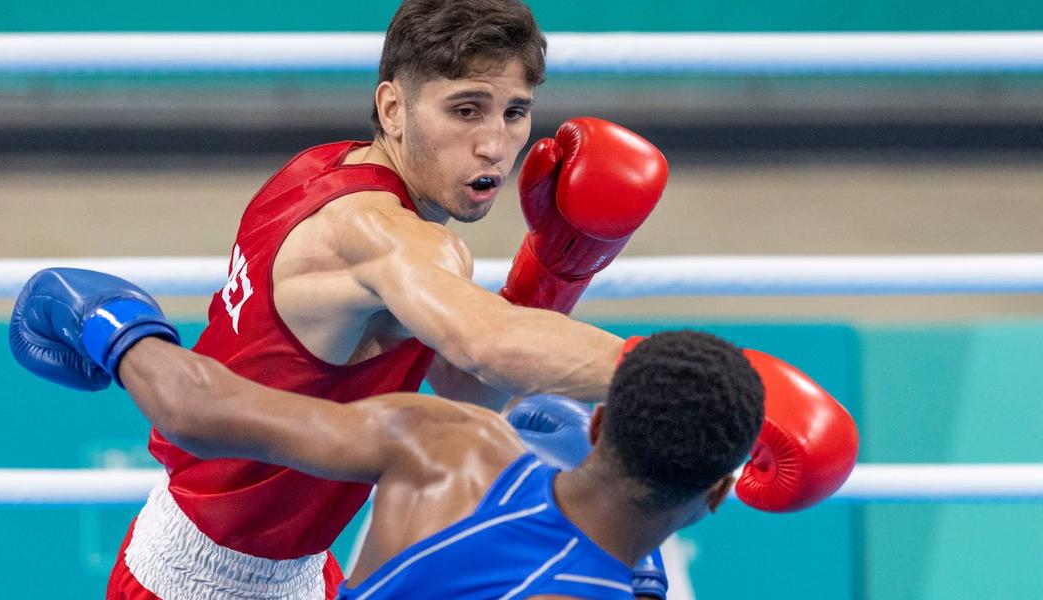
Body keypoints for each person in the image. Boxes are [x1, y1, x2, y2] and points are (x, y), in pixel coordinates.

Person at [66, 0, 679, 597]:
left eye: (514, 112)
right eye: (466, 110)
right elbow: (486, 344)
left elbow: (469, 386)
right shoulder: (379, 235)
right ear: (393, 107)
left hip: (291, 564)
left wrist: (553, 268)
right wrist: (693, 387)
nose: (495, 143)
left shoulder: (326, 170)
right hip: (206, 583)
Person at [9, 268, 859, 599]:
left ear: (602, 420)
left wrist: (114, 331)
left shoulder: (442, 442)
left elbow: (199, 410)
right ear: (719, 493)